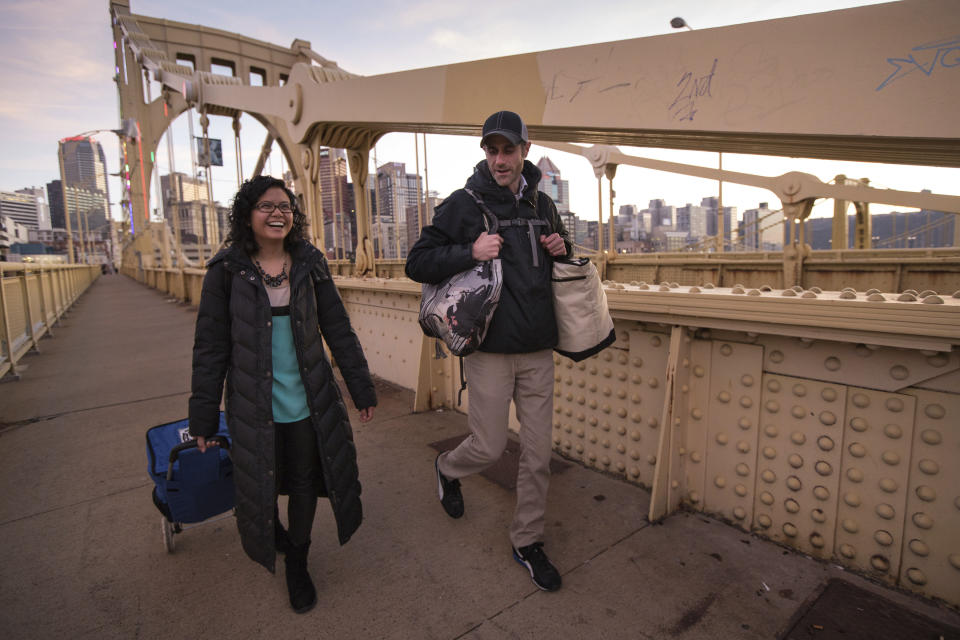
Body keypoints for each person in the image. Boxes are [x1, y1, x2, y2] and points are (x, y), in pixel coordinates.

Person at [188, 175, 376, 613]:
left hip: (309, 399)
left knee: (307, 480)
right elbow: (210, 348)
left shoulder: (310, 263)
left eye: (286, 207)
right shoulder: (226, 272)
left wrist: (360, 387)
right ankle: (272, 530)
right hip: (255, 405)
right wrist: (202, 417)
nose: (278, 213)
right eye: (267, 206)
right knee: (262, 482)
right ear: (247, 215)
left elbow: (338, 329)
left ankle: (298, 558)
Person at [405, 110, 571, 592]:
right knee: (490, 445)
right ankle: (447, 468)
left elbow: (562, 263)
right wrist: (469, 252)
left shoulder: (543, 203)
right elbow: (418, 262)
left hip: (539, 348)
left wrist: (562, 248)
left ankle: (527, 542)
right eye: (492, 150)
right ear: (485, 153)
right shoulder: (463, 204)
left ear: (524, 150)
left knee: (538, 455)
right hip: (490, 350)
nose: (500, 159)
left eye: (509, 149)